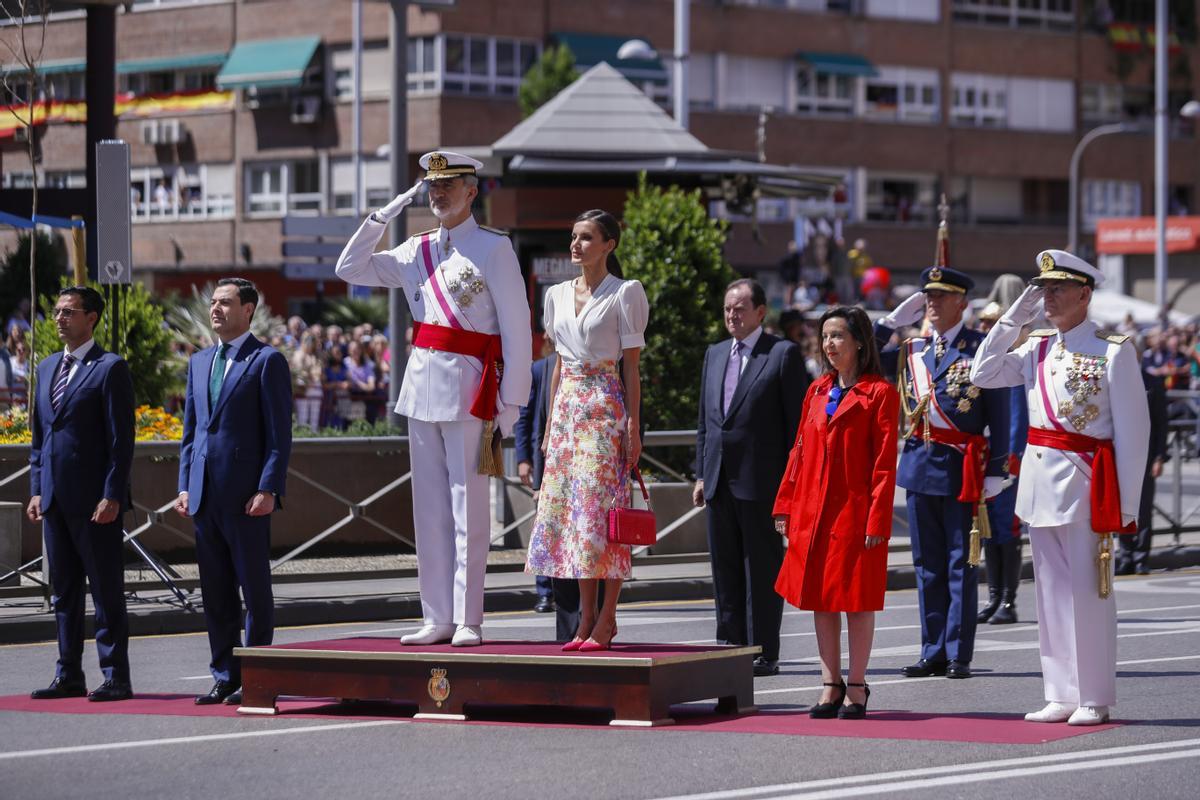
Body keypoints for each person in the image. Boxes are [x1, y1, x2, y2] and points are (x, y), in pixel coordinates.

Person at [335, 150, 532, 647]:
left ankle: (469, 618)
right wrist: (382, 216)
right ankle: (436, 616)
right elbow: (350, 268)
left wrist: (510, 406)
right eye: (431, 187)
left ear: (472, 192)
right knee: (428, 512)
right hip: (420, 390)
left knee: (470, 511)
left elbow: (516, 330)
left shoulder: (493, 249)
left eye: (449, 186)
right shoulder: (414, 248)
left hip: (472, 393)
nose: (438, 194)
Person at [971, 249, 1149, 726]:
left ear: (1084, 294)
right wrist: (1014, 316)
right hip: (1041, 482)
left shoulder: (1113, 350)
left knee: (1089, 595)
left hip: (1088, 482)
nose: (1046, 297)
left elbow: (1134, 433)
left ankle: (1093, 694)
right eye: (1042, 289)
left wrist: (1126, 504)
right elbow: (982, 372)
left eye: (1056, 289)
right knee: (1050, 595)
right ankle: (1060, 692)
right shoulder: (1037, 346)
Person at [875, 267, 1011, 680]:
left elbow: (1000, 416)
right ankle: (931, 649)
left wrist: (996, 470)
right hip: (919, 468)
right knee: (925, 565)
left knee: (959, 565)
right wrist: (888, 323)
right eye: (928, 297)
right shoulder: (911, 349)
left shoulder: (980, 348)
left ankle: (957, 653)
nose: (932, 303)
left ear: (962, 303)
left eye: (941, 296)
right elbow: (863, 357)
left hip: (960, 470)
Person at [525, 209, 648, 652]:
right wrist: (548, 425)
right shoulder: (556, 294)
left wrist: (632, 426)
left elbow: (631, 368)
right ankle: (585, 618)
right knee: (572, 517)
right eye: (573, 236)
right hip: (567, 412)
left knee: (603, 514)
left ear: (608, 245)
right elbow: (557, 363)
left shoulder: (625, 293)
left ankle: (607, 619)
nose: (576, 245)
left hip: (604, 405)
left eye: (586, 237)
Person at [773, 305, 898, 719]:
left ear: (860, 341)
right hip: (812, 509)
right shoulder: (818, 390)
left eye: (838, 336)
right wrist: (785, 505)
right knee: (819, 599)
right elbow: (799, 452)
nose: (829, 344)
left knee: (856, 601)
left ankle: (858, 685)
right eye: (825, 336)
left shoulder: (879, 393)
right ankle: (830, 683)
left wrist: (878, 519)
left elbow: (884, 463)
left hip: (854, 511)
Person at [175, 278, 293, 706]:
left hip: (247, 499)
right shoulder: (199, 361)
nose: (216, 309)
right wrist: (185, 485)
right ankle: (224, 675)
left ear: (248, 310)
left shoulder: (266, 361)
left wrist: (268, 488)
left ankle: (258, 673)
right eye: (213, 303)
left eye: (225, 302)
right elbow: (190, 434)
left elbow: (280, 436)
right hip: (205, 497)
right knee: (216, 594)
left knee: (254, 592)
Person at [694, 278, 808, 677]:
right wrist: (700, 473)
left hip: (762, 482)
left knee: (759, 568)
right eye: (728, 308)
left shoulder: (781, 355)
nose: (732, 315)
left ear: (761, 312)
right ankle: (729, 644)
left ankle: (763, 649)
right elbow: (707, 423)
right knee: (724, 567)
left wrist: (792, 486)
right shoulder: (715, 353)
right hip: (719, 478)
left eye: (740, 308)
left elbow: (798, 427)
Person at [27, 286, 135, 702]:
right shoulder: (47, 366)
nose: (59, 319)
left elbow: (120, 441)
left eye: (68, 312)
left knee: (106, 592)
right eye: (56, 311)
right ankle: (69, 672)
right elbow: (40, 439)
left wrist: (112, 495)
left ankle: (116, 676)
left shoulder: (109, 368)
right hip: (55, 501)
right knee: (64, 593)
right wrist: (37, 490)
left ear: (91, 318)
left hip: (95, 505)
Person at [975, 300, 1028, 626]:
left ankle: (1009, 599)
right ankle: (994, 596)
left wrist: (1010, 460)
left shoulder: (1012, 367)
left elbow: (1017, 419)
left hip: (1006, 461)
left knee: (1007, 530)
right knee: (989, 530)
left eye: (991, 324)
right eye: (983, 324)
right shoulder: (984, 364)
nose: (984, 330)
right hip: (984, 458)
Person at [514, 338, 558, 615]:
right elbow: (525, 417)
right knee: (544, 526)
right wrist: (523, 459)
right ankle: (545, 591)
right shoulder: (540, 369)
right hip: (543, 458)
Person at [1116, 370, 1168, 575]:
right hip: (1121, 455)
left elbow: (1161, 422)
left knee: (1144, 511)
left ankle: (1141, 558)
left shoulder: (1153, 382)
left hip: (1145, 455)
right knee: (1123, 509)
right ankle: (1126, 556)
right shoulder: (1116, 378)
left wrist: (1159, 457)